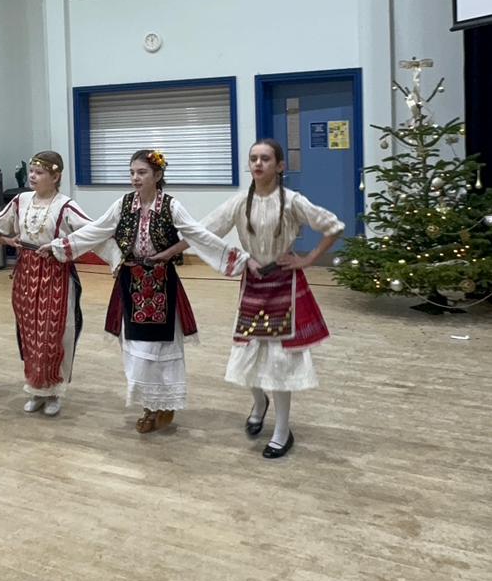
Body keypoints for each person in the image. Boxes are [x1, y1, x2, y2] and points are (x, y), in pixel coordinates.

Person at [44, 150, 248, 434]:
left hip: (162, 285)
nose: (135, 178)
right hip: (131, 284)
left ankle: (164, 403)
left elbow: (197, 234)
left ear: (158, 175)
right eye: (132, 173)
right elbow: (97, 230)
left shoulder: (171, 206)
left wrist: (236, 260)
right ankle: (148, 407)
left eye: (142, 172)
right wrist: (59, 246)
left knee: (162, 348)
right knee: (136, 350)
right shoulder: (124, 204)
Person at [202, 139, 344, 459]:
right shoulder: (239, 202)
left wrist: (308, 260)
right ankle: (259, 402)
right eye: (253, 158)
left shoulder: (292, 201)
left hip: (283, 283)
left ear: (280, 166)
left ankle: (282, 430)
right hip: (253, 283)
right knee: (246, 352)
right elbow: (203, 233)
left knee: (280, 361)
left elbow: (333, 226)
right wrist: (238, 258)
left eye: (265, 158)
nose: (258, 163)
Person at [0, 150, 114, 417]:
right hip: (26, 273)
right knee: (30, 333)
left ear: (55, 177)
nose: (32, 176)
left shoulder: (65, 206)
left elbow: (92, 232)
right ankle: (35, 388)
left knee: (52, 333)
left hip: (55, 274)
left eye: (39, 172)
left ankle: (53, 391)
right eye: (31, 171)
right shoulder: (20, 201)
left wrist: (117, 258)